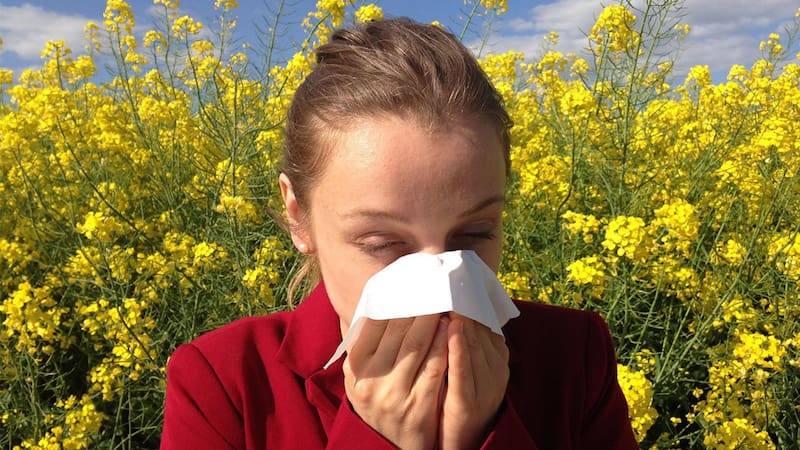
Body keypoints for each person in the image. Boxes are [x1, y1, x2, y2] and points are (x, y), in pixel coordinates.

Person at [160, 17, 638, 449]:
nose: (441, 289)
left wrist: (487, 431)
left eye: (474, 234)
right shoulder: (225, 384)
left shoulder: (574, 356)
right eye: (382, 244)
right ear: (298, 217)